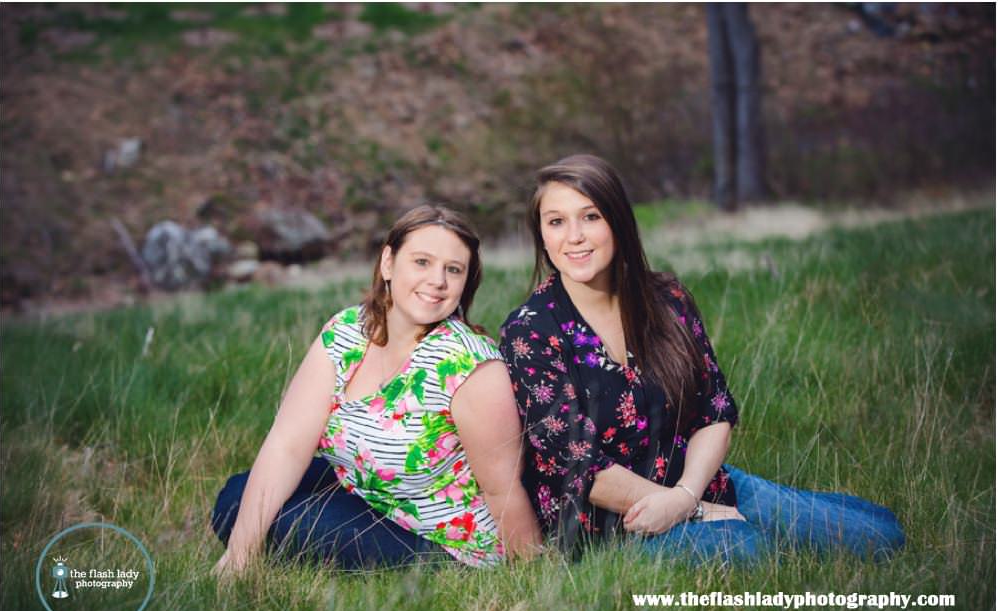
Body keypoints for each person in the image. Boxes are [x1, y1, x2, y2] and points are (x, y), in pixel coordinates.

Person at [499, 154, 905, 564]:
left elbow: (714, 411)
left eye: (590, 217)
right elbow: (579, 466)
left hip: (695, 484)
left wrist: (689, 494)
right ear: (543, 237)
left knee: (881, 537)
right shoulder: (529, 331)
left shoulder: (666, 299)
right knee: (754, 554)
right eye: (556, 222)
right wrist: (690, 510)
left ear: (618, 222)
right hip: (611, 523)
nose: (575, 237)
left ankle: (791, 512)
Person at [212, 205, 541, 574]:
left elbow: (503, 490)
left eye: (453, 269)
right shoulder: (347, 330)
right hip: (368, 495)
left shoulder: (470, 366)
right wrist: (238, 556)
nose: (438, 280)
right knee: (236, 499)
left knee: (290, 523)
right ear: (388, 262)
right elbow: (287, 443)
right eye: (422, 262)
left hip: (439, 539)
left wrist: (530, 576)